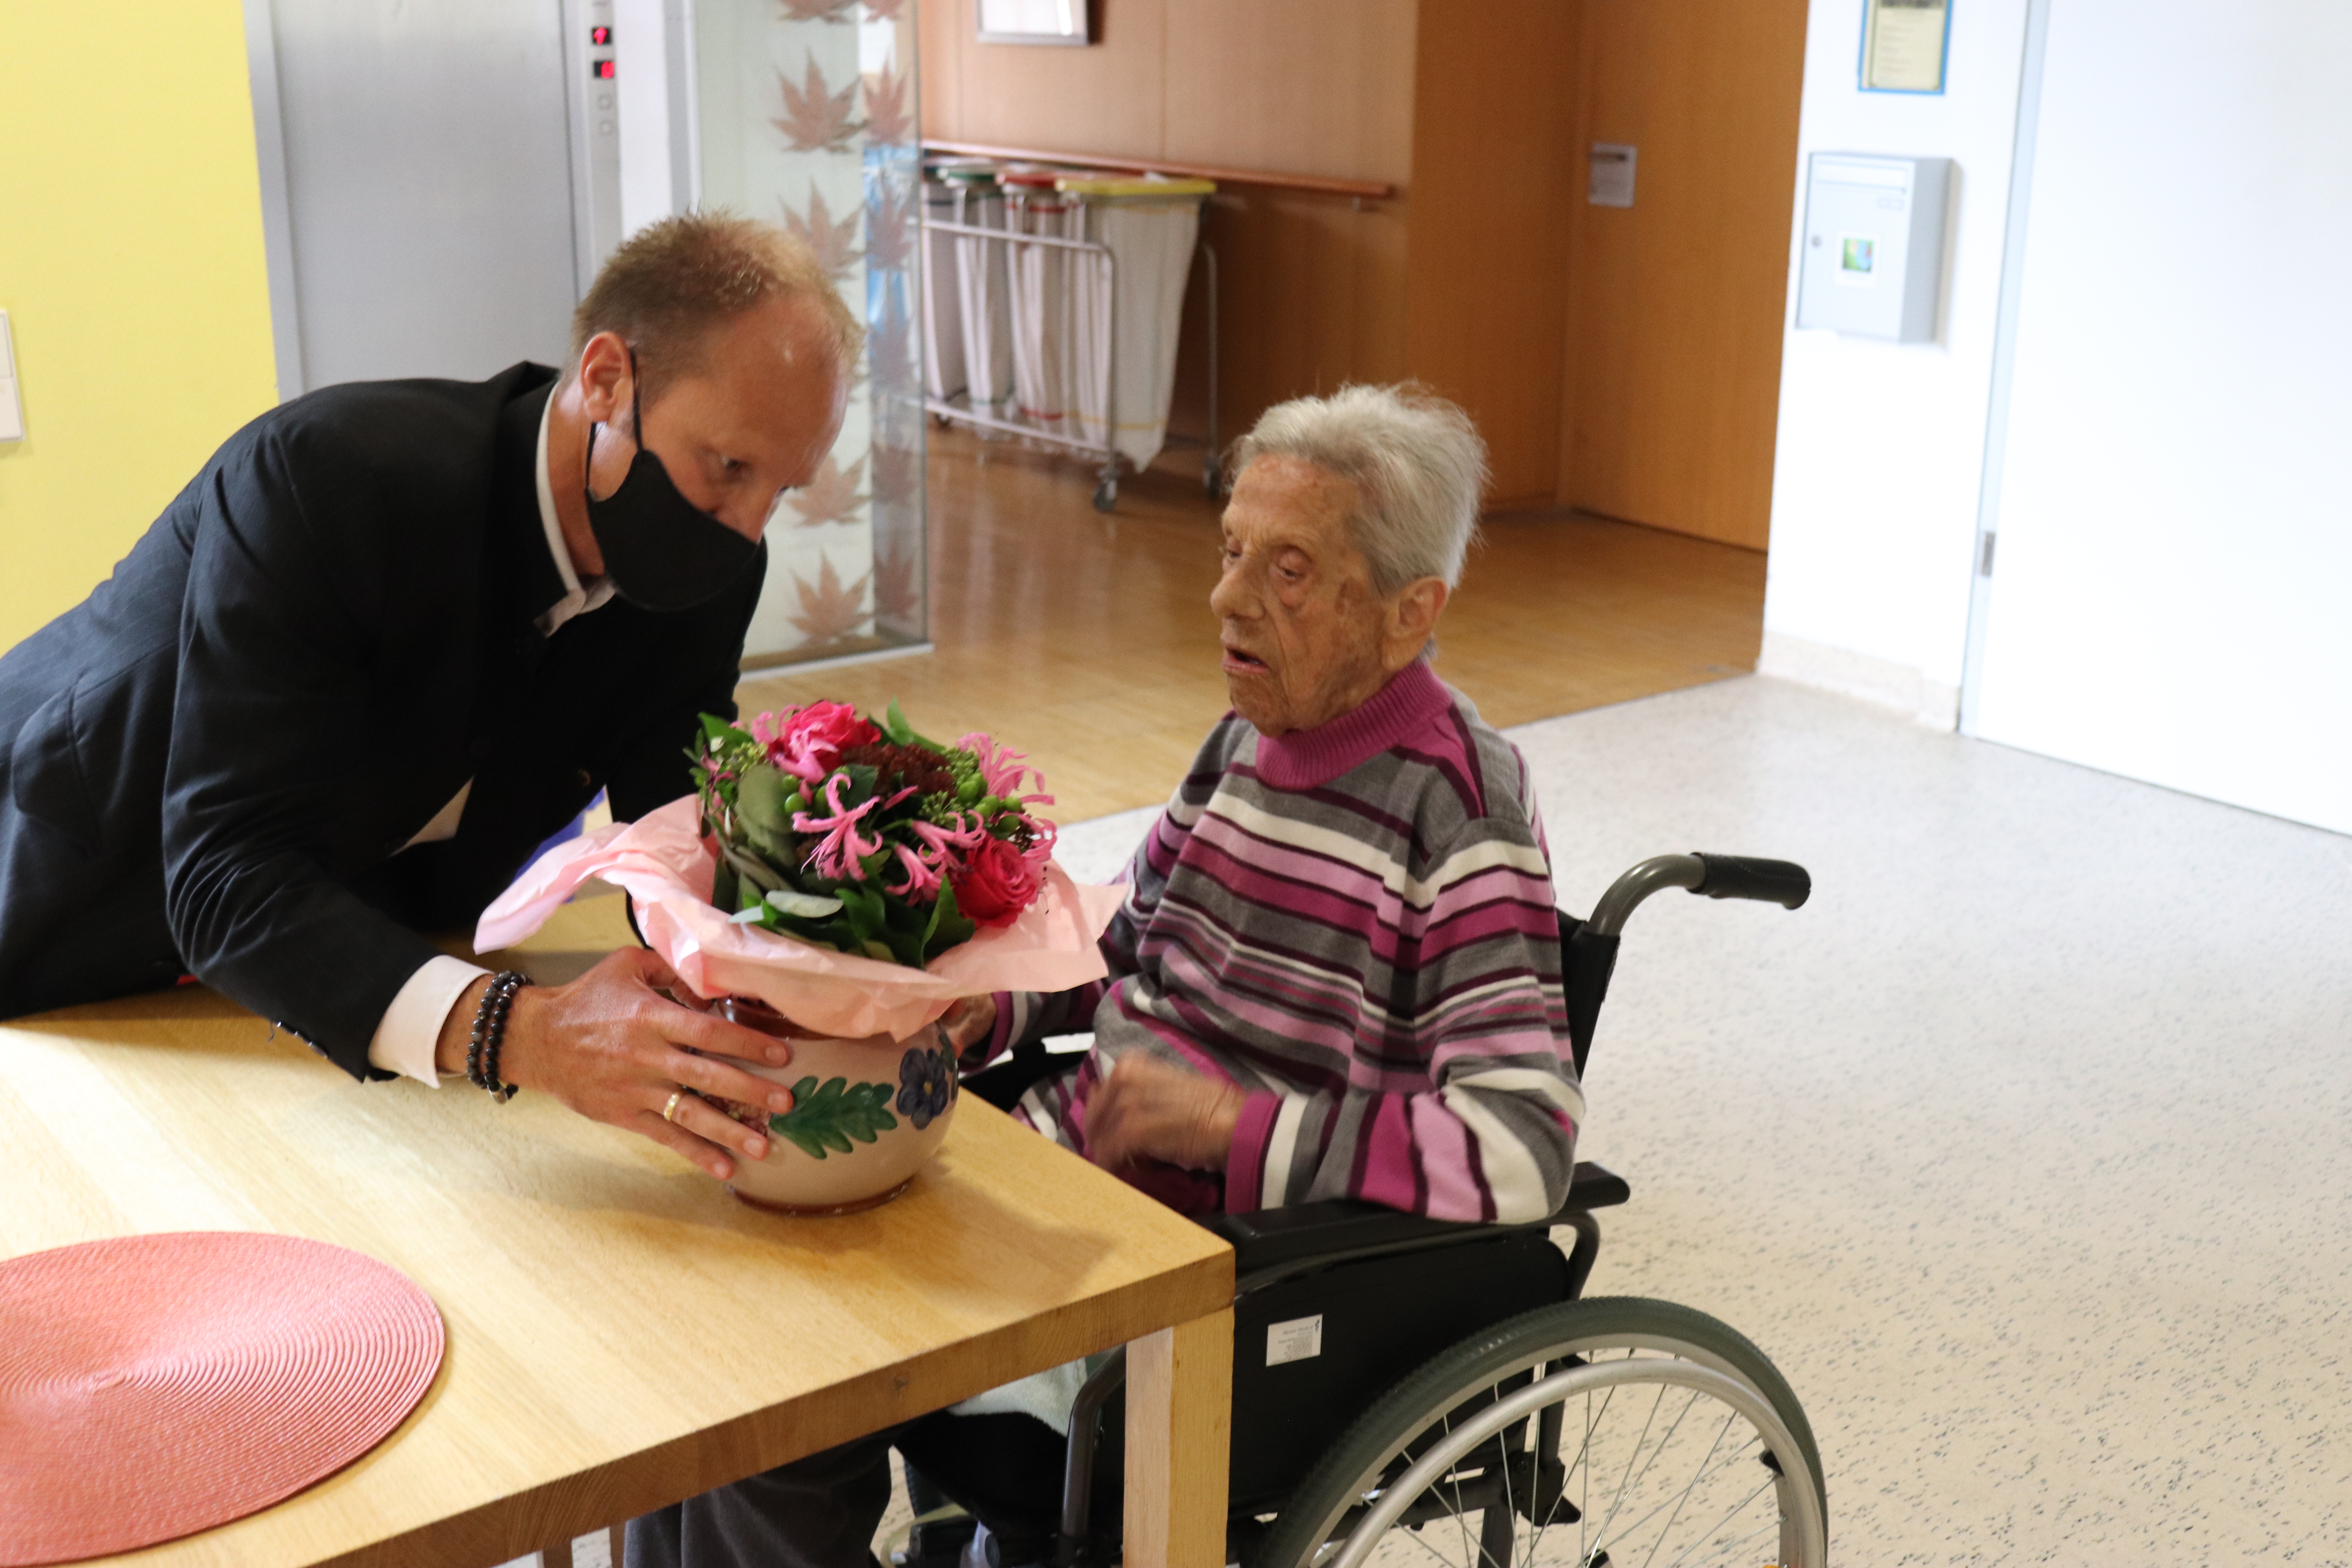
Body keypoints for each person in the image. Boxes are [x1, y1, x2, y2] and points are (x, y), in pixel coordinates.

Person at [628, 384, 1583, 1568]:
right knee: (717, 1344)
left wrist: (1237, 1125)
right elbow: (1126, 944)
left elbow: (1523, 1146)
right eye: (1232, 550)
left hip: (1209, 1278)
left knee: (784, 1406)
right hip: (1063, 1183)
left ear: (1408, 613)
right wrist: (989, 1001)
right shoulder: (1247, 739)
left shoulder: (1456, 808)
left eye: (1287, 571)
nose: (1227, 599)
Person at [0, 213, 852, 1180]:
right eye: (730, 466)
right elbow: (225, 874)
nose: (745, 528)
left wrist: (856, 970)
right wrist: (527, 1034)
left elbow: (678, 829)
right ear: (609, 378)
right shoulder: (332, 479)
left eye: (782, 490)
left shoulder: (707, 573)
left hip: (315, 980)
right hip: (60, 917)